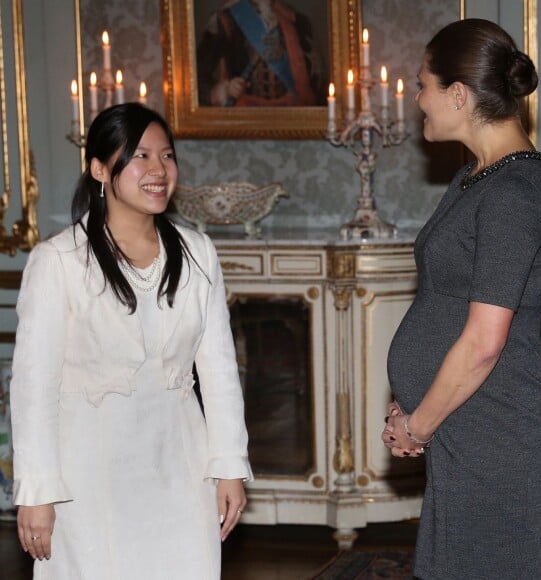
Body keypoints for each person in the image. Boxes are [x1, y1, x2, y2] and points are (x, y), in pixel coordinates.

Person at [10, 103, 253, 579]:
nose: (158, 170)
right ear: (100, 168)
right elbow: (33, 388)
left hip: (180, 466)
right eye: (140, 156)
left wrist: (228, 466)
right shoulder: (58, 261)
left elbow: (221, 371)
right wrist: (37, 492)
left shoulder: (197, 252)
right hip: (90, 476)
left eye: (167, 156)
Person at [382, 19, 541, 579]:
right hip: (468, 428)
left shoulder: (513, 193)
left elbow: (485, 343)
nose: (418, 99)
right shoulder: (476, 177)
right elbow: (444, 305)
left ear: (458, 95)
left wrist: (418, 425)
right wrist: (413, 408)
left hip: (502, 439)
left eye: (423, 85)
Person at [196, 0, 324, 107]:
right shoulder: (225, 21)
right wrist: (226, 90)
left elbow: (317, 82)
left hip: (290, 120)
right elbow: (196, 82)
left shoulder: (298, 21)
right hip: (244, 123)